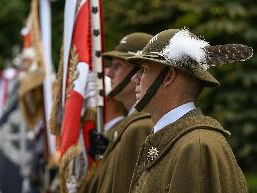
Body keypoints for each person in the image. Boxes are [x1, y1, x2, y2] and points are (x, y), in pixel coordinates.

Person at [128, 28, 253, 193]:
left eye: (144, 70)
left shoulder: (196, 147)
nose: (134, 78)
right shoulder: (182, 141)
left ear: (168, 76)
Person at [86, 32, 154, 193]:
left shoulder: (142, 125)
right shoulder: (131, 121)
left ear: (139, 71)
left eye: (118, 66)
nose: (109, 73)